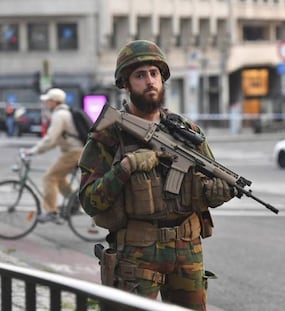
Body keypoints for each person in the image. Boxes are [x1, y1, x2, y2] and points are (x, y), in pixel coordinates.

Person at [78, 40, 235, 311]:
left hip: (187, 248)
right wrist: (125, 168)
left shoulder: (187, 132)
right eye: (140, 75)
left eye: (154, 73)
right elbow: (89, 201)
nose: (150, 81)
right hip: (136, 253)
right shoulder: (110, 134)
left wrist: (215, 194)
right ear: (125, 84)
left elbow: (209, 180)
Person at [25, 88, 84, 223]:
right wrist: (39, 149)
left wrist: (33, 151)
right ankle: (73, 203)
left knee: (49, 177)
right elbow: (55, 140)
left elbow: (51, 138)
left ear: (55, 102)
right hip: (76, 151)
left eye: (49, 101)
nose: (47, 103)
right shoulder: (64, 113)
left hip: (73, 152)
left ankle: (51, 211)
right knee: (59, 177)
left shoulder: (59, 115)